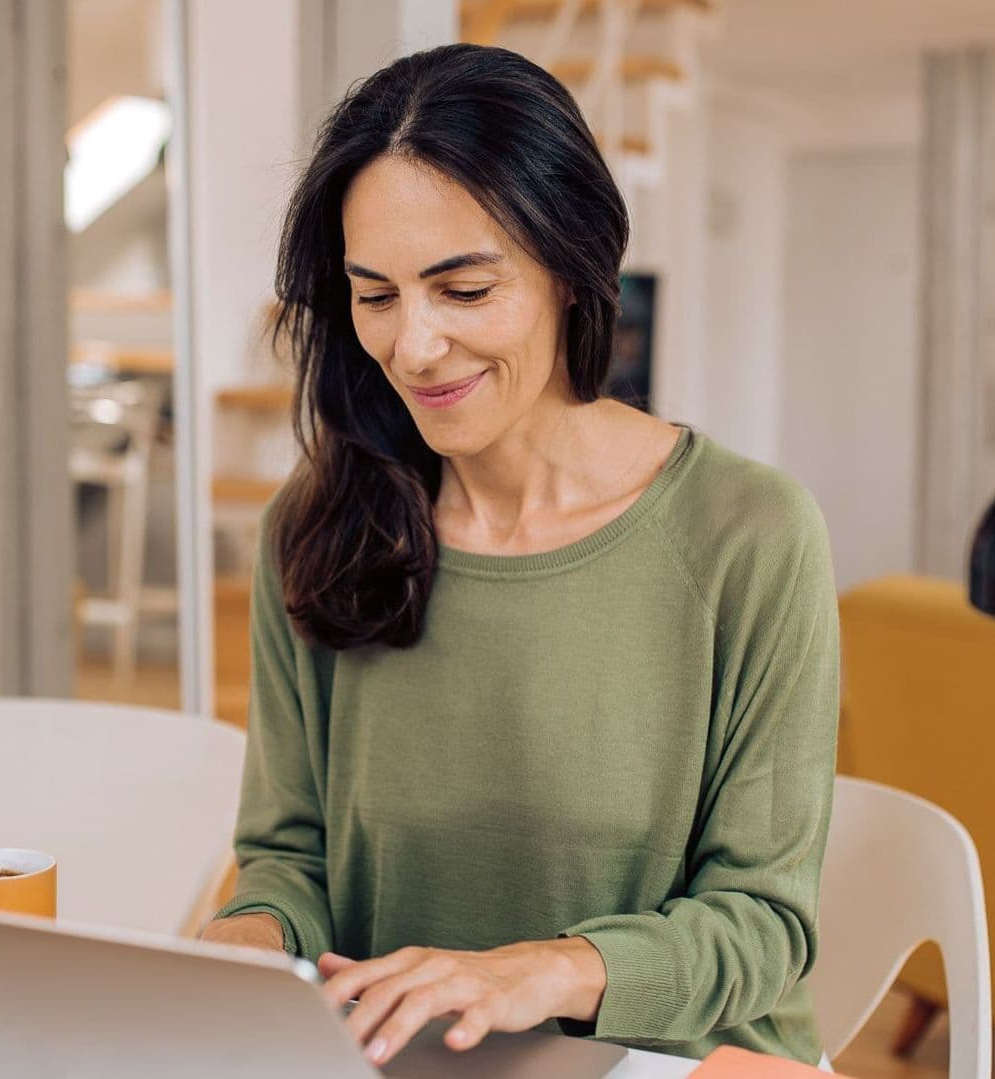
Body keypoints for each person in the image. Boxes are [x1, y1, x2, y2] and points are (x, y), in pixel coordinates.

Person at [197, 42, 839, 1069]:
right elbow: (288, 857)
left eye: (461, 290)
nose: (411, 346)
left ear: (570, 271)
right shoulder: (320, 524)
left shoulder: (748, 533)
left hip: (665, 1058)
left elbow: (762, 922)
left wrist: (536, 971)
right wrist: (237, 945)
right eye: (375, 295)